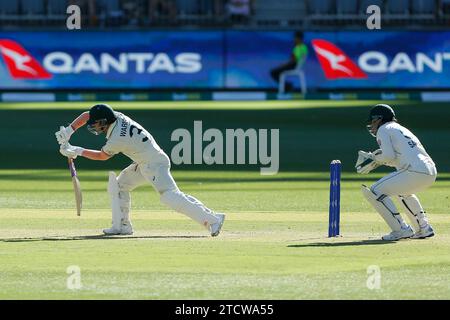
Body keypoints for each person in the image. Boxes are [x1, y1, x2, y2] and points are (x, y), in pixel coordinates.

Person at [55, 104, 225, 236]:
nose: (93, 125)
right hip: (146, 162)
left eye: (97, 123)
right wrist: (69, 131)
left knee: (169, 196)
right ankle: (122, 226)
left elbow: (102, 156)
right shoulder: (117, 116)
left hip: (153, 164)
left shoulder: (117, 138)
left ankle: (213, 219)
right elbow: (87, 115)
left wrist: (76, 150)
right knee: (120, 185)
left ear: (105, 121)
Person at [358, 104, 436, 241]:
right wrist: (377, 160)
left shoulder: (383, 129)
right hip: (429, 170)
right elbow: (396, 159)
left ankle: (400, 229)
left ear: (379, 118)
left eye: (372, 120)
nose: (371, 124)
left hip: (415, 170)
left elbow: (388, 155)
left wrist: (374, 158)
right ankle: (423, 228)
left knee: (375, 191)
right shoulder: (400, 129)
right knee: (403, 192)